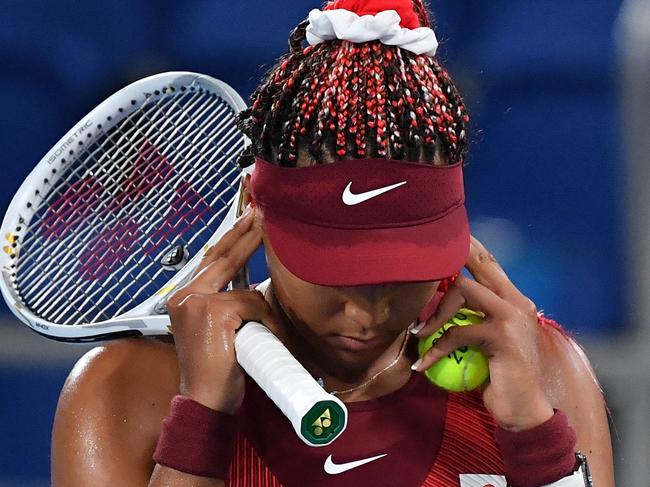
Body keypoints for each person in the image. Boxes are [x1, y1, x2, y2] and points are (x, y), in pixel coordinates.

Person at [51, 1, 614, 486]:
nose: (364, 312)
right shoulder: (125, 388)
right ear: (253, 208)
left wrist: (536, 442)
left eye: (401, 270)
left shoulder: (542, 371)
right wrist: (201, 423)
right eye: (330, 271)